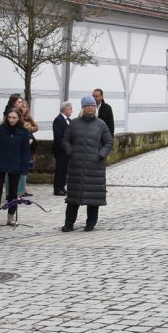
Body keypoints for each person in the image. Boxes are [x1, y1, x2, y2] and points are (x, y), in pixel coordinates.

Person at [60, 95, 114, 232]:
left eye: (93, 106)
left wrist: (101, 154)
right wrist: (71, 152)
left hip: (95, 167)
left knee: (93, 199)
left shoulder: (101, 124)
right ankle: (69, 223)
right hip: (76, 167)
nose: (90, 108)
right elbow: (65, 140)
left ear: (95, 108)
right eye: (87, 106)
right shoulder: (74, 124)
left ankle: (90, 223)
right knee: (73, 198)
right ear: (83, 108)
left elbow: (109, 142)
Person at [0, 107, 31, 227]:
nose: (11, 120)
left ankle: (11, 216)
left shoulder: (23, 131)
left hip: (15, 165)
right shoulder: (2, 129)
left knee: (13, 192)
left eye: (14, 118)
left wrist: (24, 168)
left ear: (19, 118)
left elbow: (25, 152)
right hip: (0, 164)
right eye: (9, 117)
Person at [52, 101, 73, 196]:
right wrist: (65, 147)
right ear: (65, 109)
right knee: (60, 169)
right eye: (70, 109)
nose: (71, 111)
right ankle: (57, 188)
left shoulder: (69, 120)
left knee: (64, 169)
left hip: (67, 150)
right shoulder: (58, 120)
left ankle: (62, 187)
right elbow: (58, 137)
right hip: (60, 150)